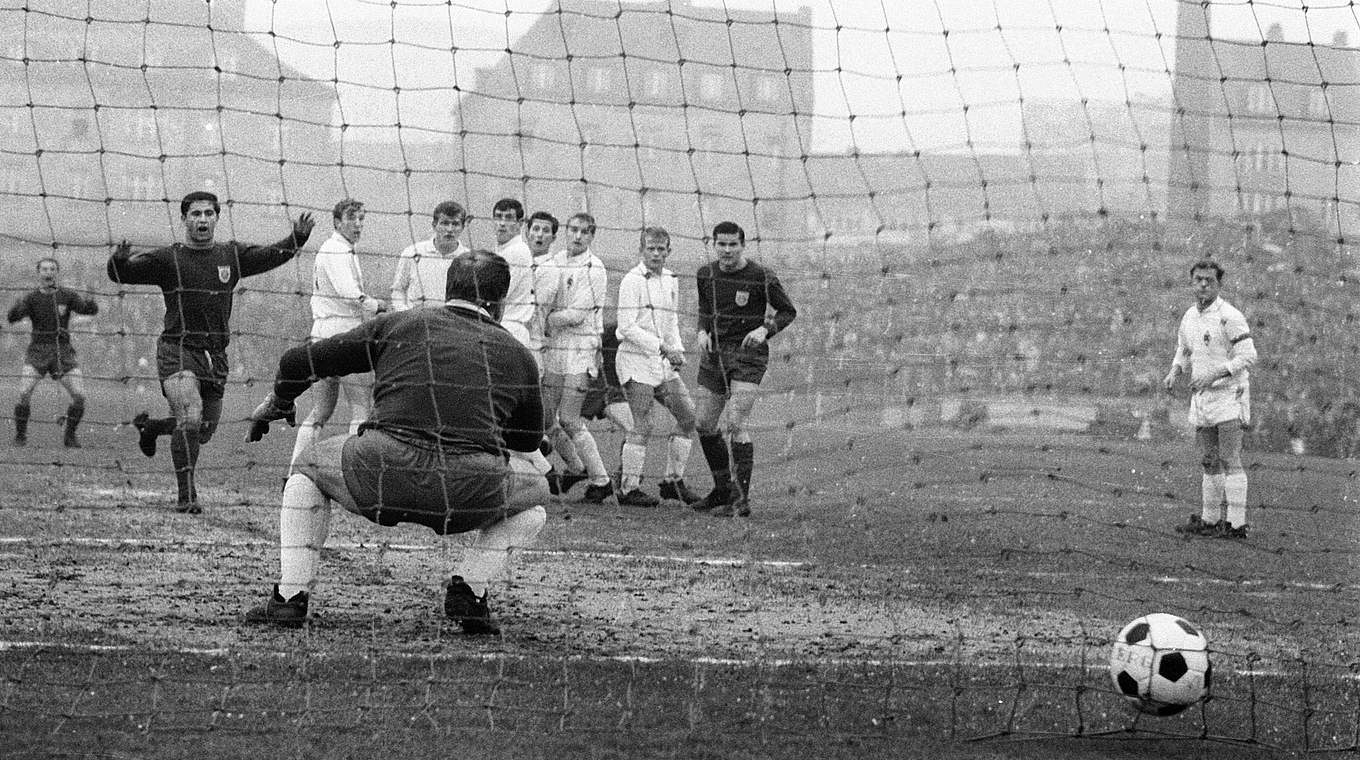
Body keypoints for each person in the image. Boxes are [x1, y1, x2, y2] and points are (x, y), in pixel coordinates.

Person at [242, 250, 548, 633]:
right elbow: (529, 438)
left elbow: (296, 361)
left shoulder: (399, 324)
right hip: (465, 492)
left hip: (382, 472)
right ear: (499, 303)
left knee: (307, 466)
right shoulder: (518, 355)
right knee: (537, 494)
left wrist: (279, 401)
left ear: (447, 288)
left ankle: (289, 598)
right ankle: (470, 589)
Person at [108, 190, 315, 513]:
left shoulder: (231, 255)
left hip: (215, 355)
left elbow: (271, 255)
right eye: (196, 214)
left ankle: (152, 428)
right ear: (184, 219)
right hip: (177, 348)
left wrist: (296, 239)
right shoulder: (168, 259)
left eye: (208, 213)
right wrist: (118, 261)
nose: (202, 219)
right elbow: (122, 275)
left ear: (217, 218)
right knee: (190, 416)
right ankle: (186, 495)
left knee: (203, 431)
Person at [691, 221, 796, 517]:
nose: (726, 250)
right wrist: (701, 330)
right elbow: (704, 309)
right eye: (721, 244)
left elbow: (788, 311)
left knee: (736, 422)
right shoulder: (705, 274)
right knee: (703, 424)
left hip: (748, 356)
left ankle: (741, 499)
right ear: (714, 245)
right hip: (715, 355)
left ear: (742, 245)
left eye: (732, 244)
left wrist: (766, 329)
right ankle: (721, 490)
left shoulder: (762, 276)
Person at [1164, 259, 1258, 539]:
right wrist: (1174, 370)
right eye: (1199, 280)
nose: (1203, 284)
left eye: (1210, 280)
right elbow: (1183, 348)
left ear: (1219, 284)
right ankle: (1210, 519)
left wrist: (1216, 374)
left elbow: (1249, 355)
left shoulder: (1230, 316)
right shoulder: (1189, 316)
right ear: (1192, 282)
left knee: (1229, 458)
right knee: (1208, 459)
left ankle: (1236, 525)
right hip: (1202, 396)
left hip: (1230, 395)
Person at [289, 198, 385, 472]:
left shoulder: (340, 249)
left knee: (321, 411)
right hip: (344, 333)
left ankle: (294, 472)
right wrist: (378, 306)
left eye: (362, 218)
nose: (357, 224)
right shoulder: (336, 251)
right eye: (352, 218)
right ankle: (355, 474)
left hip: (321, 333)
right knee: (360, 407)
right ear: (336, 222)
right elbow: (350, 293)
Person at [614, 227, 702, 507]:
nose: (656, 253)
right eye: (650, 248)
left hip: (662, 362)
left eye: (661, 249)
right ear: (641, 249)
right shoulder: (631, 280)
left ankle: (672, 482)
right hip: (635, 359)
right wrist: (661, 346)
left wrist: (675, 349)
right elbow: (626, 327)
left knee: (688, 416)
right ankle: (628, 489)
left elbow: (671, 321)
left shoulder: (672, 279)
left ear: (668, 251)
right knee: (644, 423)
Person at [542, 212, 614, 503]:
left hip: (581, 347)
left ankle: (602, 480)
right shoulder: (556, 260)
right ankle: (576, 467)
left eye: (584, 232)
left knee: (570, 418)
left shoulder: (594, 268)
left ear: (591, 236)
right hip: (555, 346)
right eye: (573, 230)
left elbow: (576, 314)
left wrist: (542, 320)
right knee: (547, 419)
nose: (577, 236)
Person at [6, 258, 99, 447]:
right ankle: (20, 436)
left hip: (62, 351)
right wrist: (15, 309)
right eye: (45, 269)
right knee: (24, 393)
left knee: (79, 395)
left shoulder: (67, 295)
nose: (49, 272)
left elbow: (87, 310)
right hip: (38, 350)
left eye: (52, 269)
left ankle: (70, 436)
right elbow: (13, 318)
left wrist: (90, 300)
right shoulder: (32, 298)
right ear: (38, 273)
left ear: (57, 272)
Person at [389, 200, 469, 311]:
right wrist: (405, 316)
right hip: (416, 322)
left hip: (451, 324)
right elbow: (397, 290)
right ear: (434, 225)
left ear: (463, 227)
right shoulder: (412, 253)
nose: (450, 229)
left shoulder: (468, 260)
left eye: (455, 224)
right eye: (445, 223)